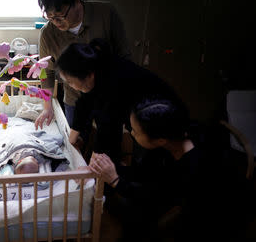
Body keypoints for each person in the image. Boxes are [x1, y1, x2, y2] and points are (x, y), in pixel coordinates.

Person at [89, 96, 253, 241]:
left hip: (217, 215)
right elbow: (146, 174)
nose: (131, 133)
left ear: (160, 139)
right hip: (183, 196)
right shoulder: (172, 138)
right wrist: (113, 168)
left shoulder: (194, 165)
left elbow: (153, 196)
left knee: (136, 217)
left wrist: (115, 180)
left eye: (136, 131)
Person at [56, 38, 179, 164]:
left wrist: (95, 162)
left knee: (149, 157)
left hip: (159, 116)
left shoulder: (113, 81)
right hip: (137, 112)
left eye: (70, 82)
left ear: (89, 75)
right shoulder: (93, 69)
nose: (70, 86)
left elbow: (107, 127)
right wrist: (72, 138)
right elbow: (84, 103)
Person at [35, 0, 131, 131]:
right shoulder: (48, 33)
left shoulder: (106, 15)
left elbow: (124, 56)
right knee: (75, 145)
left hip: (109, 98)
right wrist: (47, 106)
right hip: (74, 100)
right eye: (49, 17)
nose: (55, 22)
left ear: (76, 0)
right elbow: (46, 73)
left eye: (60, 16)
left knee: (107, 146)